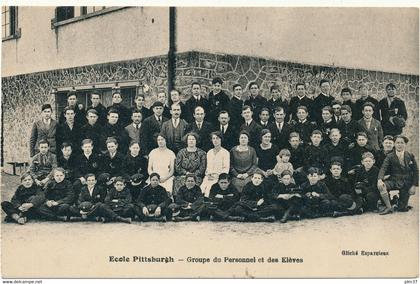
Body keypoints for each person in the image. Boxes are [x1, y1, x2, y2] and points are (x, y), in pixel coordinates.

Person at [377, 135, 418, 214]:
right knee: (381, 186)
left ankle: (398, 202)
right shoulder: (390, 156)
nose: (399, 145)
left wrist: (414, 186)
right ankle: (389, 208)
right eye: (397, 143)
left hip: (406, 183)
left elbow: (416, 171)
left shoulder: (410, 155)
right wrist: (380, 179)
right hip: (394, 180)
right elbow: (383, 168)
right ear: (394, 144)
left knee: (402, 209)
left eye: (402, 143)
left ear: (405, 144)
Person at [201, 131, 230, 197]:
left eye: (217, 138)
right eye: (213, 138)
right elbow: (207, 167)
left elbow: (226, 168)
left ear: (221, 139)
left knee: (209, 190)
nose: (215, 140)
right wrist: (208, 175)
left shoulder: (225, 152)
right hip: (209, 177)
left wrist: (218, 176)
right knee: (201, 189)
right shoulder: (209, 152)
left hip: (219, 178)